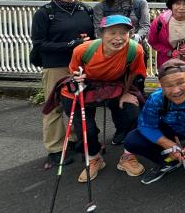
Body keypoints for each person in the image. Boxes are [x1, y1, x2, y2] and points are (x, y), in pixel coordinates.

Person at [56, 15, 147, 182]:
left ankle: (128, 156)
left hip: (115, 86)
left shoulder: (135, 50)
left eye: (123, 33)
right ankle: (94, 158)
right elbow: (74, 74)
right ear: (101, 33)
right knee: (86, 128)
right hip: (83, 88)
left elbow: (135, 74)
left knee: (133, 115)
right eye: (112, 33)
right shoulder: (82, 50)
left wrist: (127, 93)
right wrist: (78, 80)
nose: (118, 38)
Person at [31, 0, 95, 169]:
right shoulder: (45, 13)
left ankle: (76, 140)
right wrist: (70, 44)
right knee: (55, 106)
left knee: (78, 104)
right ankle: (56, 148)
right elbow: (39, 44)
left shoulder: (85, 9)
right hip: (55, 65)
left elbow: (92, 39)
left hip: (79, 66)